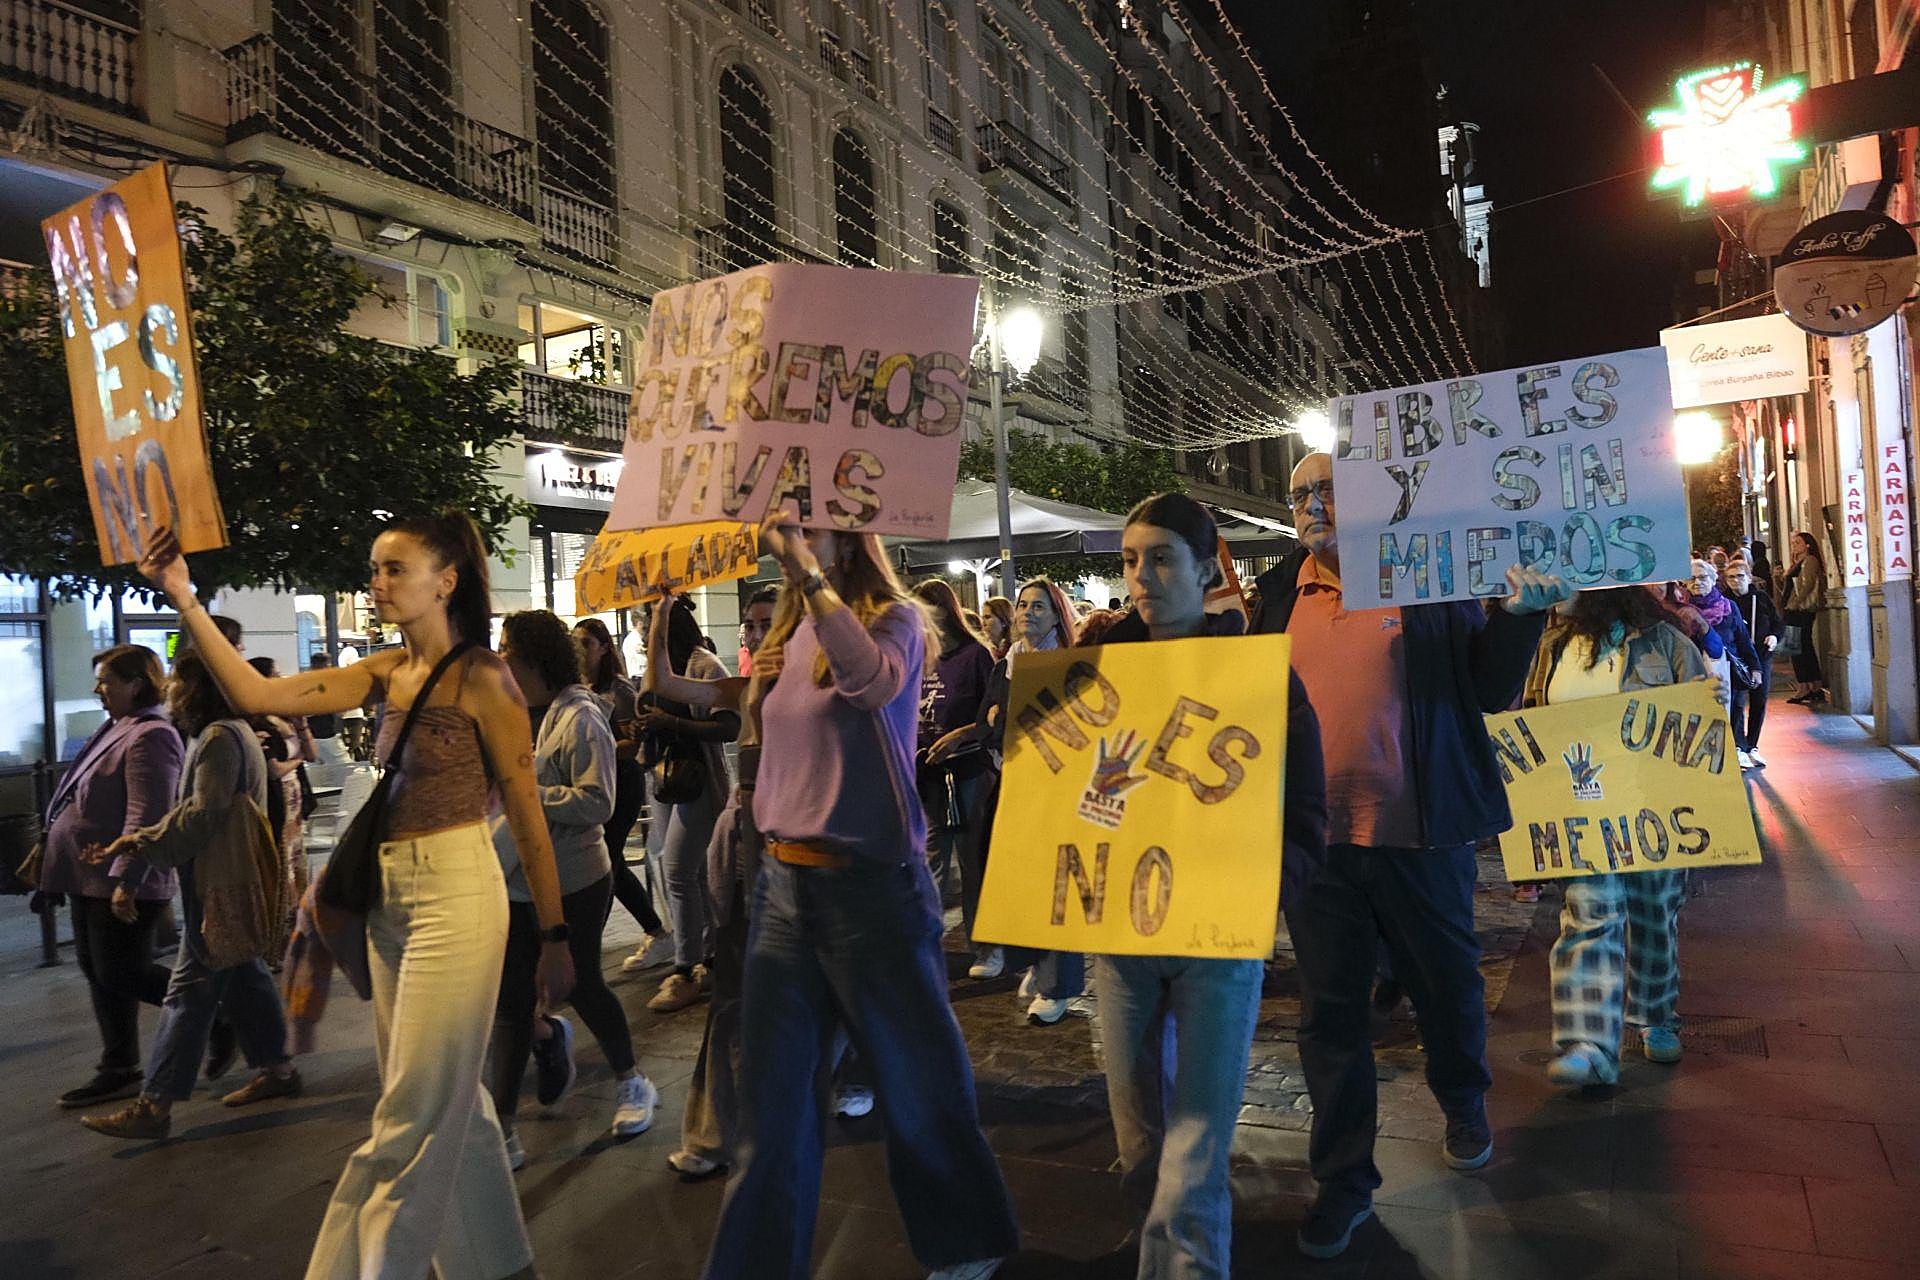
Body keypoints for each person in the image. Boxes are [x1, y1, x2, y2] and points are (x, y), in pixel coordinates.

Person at [134, 513, 576, 1280]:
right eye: (373, 569)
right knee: (448, 1100)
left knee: (408, 1116)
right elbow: (252, 689)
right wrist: (184, 598)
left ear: (447, 581)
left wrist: (558, 937)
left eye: (392, 569)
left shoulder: (486, 678)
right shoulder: (379, 671)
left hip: (459, 893)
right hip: (389, 899)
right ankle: (498, 1264)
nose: (375, 583)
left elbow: (529, 816)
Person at [1251, 452, 1572, 1260]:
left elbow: (1489, 687)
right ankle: (1344, 1181)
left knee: (1445, 983)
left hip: (1421, 833)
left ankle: (1464, 1100)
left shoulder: (1422, 576)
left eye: (1326, 490)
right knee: (1330, 1014)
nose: (1311, 505)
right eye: (1299, 495)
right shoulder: (1273, 594)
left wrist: (1521, 616)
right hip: (1315, 848)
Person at [700, 510, 1018, 1280]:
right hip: (784, 886)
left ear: (852, 535)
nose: (797, 533)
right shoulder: (789, 632)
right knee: (771, 1109)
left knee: (917, 1085)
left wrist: (807, 579)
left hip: (870, 887)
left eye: (813, 523)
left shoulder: (897, 621)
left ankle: (964, 1241)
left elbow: (870, 685)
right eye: (791, 523)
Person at [1083, 493, 1328, 1280]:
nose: (1142, 578)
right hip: (1121, 939)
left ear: (1204, 566)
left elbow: (1305, 814)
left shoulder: (1259, 677)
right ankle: (1157, 1241)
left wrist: (1262, 890)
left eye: (1159, 559)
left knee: (1195, 1143)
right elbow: (1067, 805)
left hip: (1218, 939)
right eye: (1129, 561)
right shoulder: (1095, 677)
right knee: (1139, 1141)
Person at [78, 650, 301, 1137]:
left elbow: (203, 814)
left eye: (179, 679)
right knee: (245, 975)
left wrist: (140, 844)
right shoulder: (229, 731)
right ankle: (278, 1070)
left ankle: (154, 1104)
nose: (172, 688)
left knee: (186, 994)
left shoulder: (220, 737)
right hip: (223, 883)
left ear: (198, 687)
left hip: (215, 885)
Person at [1519, 585, 1713, 1085]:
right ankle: (1587, 1044)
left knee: (1653, 912)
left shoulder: (1667, 644)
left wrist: (1709, 702)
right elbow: (1531, 723)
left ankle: (1655, 1015)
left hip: (1655, 808)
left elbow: (1704, 726)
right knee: (1588, 914)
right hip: (1580, 809)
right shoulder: (1552, 646)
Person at [490, 610, 659, 1166]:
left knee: (583, 982)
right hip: (519, 881)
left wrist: (532, 794)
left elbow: (599, 803)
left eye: (507, 647)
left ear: (534, 656)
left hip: (577, 878)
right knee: (513, 1001)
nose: (500, 656)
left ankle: (632, 1080)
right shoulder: (517, 713)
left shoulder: (582, 716)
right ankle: (505, 1127)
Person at [653, 585, 776, 1178]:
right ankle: (709, 1132)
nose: (752, 636)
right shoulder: (740, 688)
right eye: (750, 626)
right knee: (731, 986)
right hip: (744, 849)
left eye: (766, 625)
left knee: (824, 986)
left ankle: (849, 1071)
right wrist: (658, 614)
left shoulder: (823, 690)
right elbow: (662, 684)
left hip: (800, 853)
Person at [929, 577, 1085, 1023]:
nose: (1027, 613)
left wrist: (1002, 722)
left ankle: (1058, 984)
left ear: (1057, 614)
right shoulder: (1006, 666)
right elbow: (987, 721)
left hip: (1055, 789)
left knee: (1055, 887)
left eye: (1038, 606)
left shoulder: (1067, 663)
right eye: (1022, 605)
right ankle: (1036, 963)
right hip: (1010, 783)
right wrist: (965, 734)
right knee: (1021, 883)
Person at [39, 645, 185, 1109]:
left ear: (135, 684)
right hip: (88, 873)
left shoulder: (152, 735)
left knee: (121, 970)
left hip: (121, 877)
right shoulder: (120, 727)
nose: (97, 689)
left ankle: (218, 1015)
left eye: (105, 681)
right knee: (99, 971)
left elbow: (148, 811)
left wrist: (128, 877)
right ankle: (119, 1066)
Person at [640, 598, 739, 1013]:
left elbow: (728, 725)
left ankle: (684, 967)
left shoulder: (704, 665)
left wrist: (673, 724)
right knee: (692, 874)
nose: (644, 631)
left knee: (677, 871)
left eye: (648, 623)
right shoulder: (656, 666)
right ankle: (710, 958)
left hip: (696, 780)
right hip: (662, 779)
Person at [577, 617, 673, 971]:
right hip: (597, 782)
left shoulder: (618, 690)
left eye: (586, 642)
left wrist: (599, 748)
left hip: (623, 783)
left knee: (606, 862)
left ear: (604, 647)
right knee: (610, 863)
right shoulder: (577, 688)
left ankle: (585, 950)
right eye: (575, 642)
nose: (579, 649)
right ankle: (656, 932)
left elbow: (635, 743)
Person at [910, 579, 996, 895]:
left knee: (972, 861)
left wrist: (960, 736)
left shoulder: (975, 656)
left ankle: (980, 942)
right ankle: (929, 939)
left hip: (968, 773)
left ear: (945, 614)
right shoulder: (918, 657)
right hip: (928, 774)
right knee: (930, 863)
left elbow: (994, 716)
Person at [248, 656, 317, 921]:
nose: (281, 679)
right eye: (275, 674)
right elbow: (273, 769)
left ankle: (295, 917)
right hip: (278, 800)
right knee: (281, 861)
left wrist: (302, 726)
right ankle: (282, 923)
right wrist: (296, 760)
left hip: (296, 797)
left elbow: (311, 754)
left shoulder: (286, 717)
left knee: (296, 857)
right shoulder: (258, 723)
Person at [1684, 558, 1762, 719]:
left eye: (1703, 577)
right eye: (1692, 578)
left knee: (1732, 716)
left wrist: (1755, 667)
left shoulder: (1729, 606)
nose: (1697, 582)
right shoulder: (1681, 610)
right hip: (1693, 674)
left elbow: (1743, 639)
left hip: (1728, 672)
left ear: (1713, 580)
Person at [1725, 558, 1783, 768]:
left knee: (1759, 700)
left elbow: (1778, 623)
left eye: (1740, 576)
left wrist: (1774, 637)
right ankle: (1739, 746)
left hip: (1761, 655)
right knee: (1738, 702)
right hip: (1736, 658)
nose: (1735, 581)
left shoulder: (1761, 598)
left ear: (1749, 578)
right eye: (1730, 577)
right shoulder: (1724, 602)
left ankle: (1753, 745)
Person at [1782, 530, 1829, 706]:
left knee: (1797, 648)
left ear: (1808, 545)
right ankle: (1811, 686)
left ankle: (1806, 687)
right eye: (1793, 543)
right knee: (1799, 648)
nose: (1794, 545)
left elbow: (1807, 585)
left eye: (1798, 543)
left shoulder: (1810, 561)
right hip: (1792, 610)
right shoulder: (1797, 563)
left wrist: (1794, 604)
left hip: (1800, 611)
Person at [305, 653, 349, 765]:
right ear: (325, 666)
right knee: (343, 766)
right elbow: (341, 712)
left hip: (309, 736)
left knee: (315, 770)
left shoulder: (303, 683)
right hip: (325, 735)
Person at [979, 596, 1014, 661]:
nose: (983, 622)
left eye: (987, 617)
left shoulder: (1016, 648)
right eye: (982, 618)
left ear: (1003, 620)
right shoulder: (982, 648)